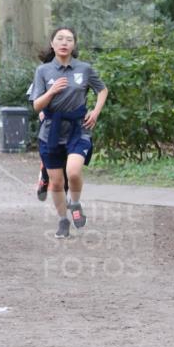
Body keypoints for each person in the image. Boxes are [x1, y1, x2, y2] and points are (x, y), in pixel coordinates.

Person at [31, 26, 108, 238]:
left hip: (78, 128)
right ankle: (63, 220)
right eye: (60, 39)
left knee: (73, 172)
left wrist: (95, 112)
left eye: (69, 39)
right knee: (57, 183)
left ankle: (75, 204)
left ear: (74, 45)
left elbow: (102, 90)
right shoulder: (43, 71)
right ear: (53, 44)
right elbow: (36, 105)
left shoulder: (84, 69)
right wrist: (52, 91)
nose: (64, 43)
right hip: (51, 131)